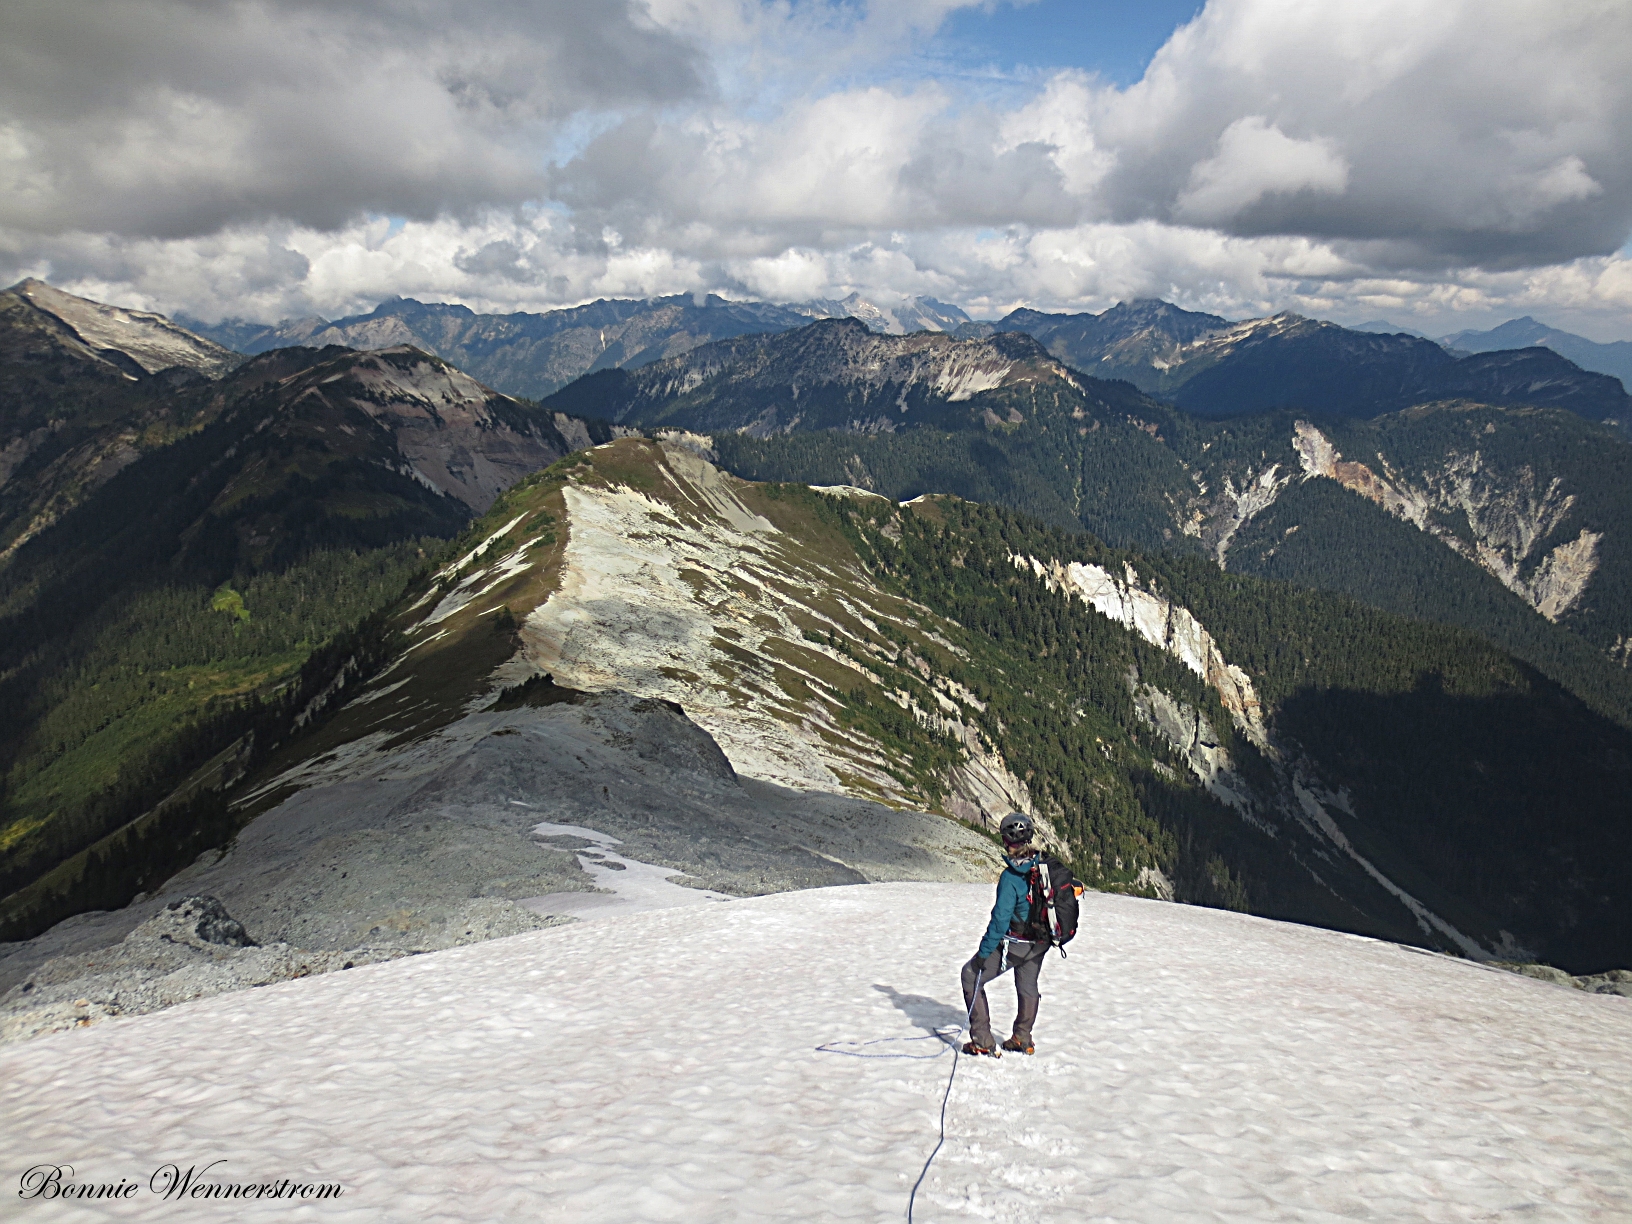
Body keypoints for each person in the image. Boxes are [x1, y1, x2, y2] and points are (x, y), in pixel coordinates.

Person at [960, 812, 1048, 1057]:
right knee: (1028, 985)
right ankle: (1022, 1037)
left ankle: (983, 1041)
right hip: (1041, 942)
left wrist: (983, 954)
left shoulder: (1011, 878)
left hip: (1017, 943)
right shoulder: (1043, 867)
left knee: (970, 975)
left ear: (1006, 841)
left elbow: (1000, 921)